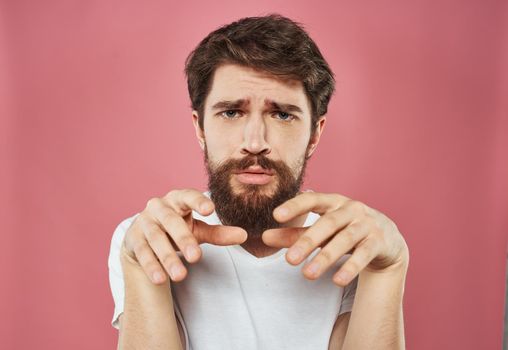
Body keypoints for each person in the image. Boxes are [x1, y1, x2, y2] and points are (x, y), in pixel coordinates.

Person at [108, 14, 409, 350]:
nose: (255, 142)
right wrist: (139, 266)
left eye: (282, 114)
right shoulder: (144, 238)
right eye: (231, 112)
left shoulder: (353, 244)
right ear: (200, 128)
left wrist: (389, 269)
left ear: (315, 134)